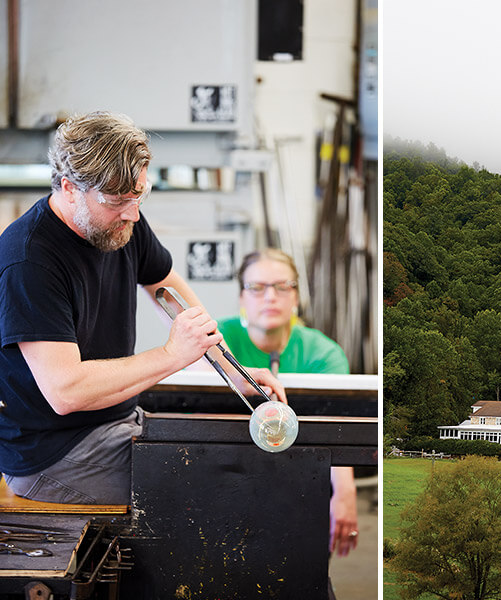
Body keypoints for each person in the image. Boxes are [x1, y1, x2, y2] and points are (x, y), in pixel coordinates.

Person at [0, 111, 287, 505]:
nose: (132, 213)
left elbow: (176, 299)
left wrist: (229, 371)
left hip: (117, 423)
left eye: (139, 195)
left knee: (243, 465)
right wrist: (172, 355)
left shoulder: (122, 221)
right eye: (116, 200)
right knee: (220, 491)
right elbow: (67, 392)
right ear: (69, 188)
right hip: (54, 455)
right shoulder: (29, 260)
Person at [218, 248, 359, 557]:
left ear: (295, 296)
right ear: (242, 297)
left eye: (282, 287)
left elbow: (336, 427)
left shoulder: (323, 354)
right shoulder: (216, 341)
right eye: (257, 287)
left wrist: (346, 494)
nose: (270, 297)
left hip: (301, 479)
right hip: (224, 475)